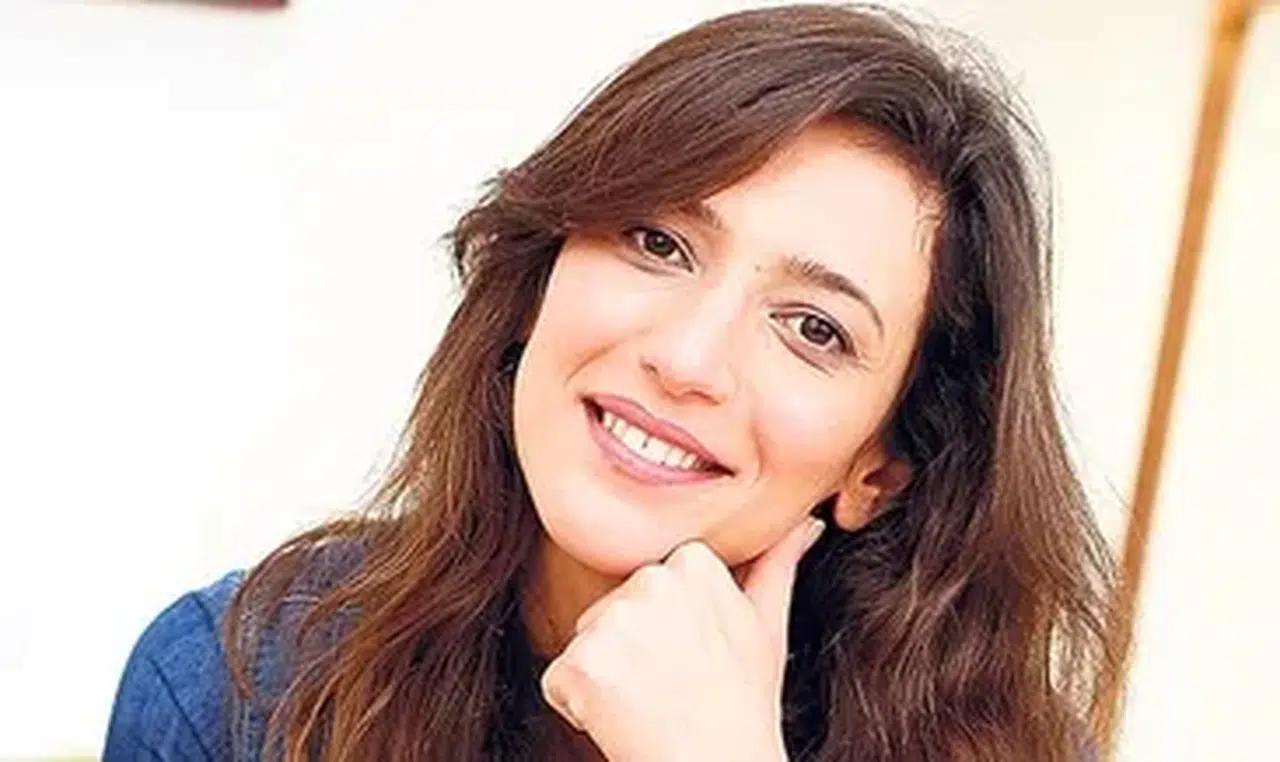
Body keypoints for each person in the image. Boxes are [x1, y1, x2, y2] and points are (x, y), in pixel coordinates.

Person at [103, 4, 1117, 761]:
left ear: (880, 469)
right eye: (657, 242)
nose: (686, 359)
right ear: (538, 277)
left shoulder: (1008, 749)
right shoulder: (238, 690)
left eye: (813, 328)